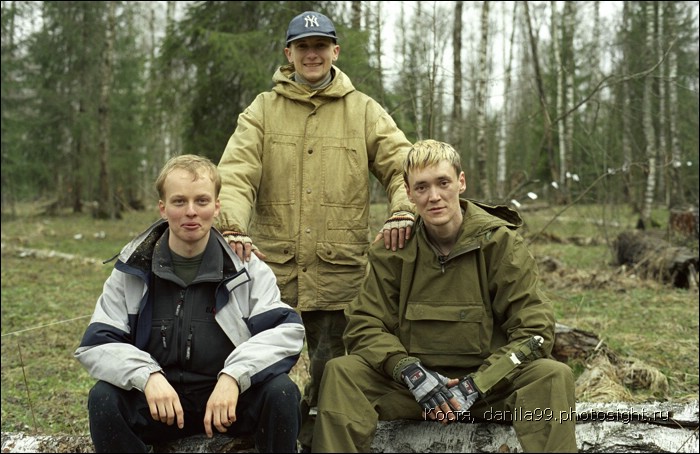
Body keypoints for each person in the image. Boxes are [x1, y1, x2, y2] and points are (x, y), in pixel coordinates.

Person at [215, 10, 415, 450]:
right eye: (302, 47)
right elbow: (234, 176)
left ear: (334, 52)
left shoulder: (363, 110)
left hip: (338, 271)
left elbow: (405, 167)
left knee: (333, 374)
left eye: (320, 46)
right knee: (263, 368)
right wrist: (231, 227)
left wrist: (403, 210)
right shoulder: (262, 111)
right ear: (289, 53)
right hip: (271, 271)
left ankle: (322, 440)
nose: (312, 54)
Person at [312, 140, 578, 453]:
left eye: (443, 183)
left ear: (461, 182)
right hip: (411, 388)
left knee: (552, 376)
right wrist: (409, 372)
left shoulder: (500, 244)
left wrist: (477, 384)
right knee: (342, 374)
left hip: (489, 389)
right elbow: (364, 325)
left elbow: (535, 332)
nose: (434, 196)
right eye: (422, 187)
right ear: (409, 194)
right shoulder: (394, 249)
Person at [74, 154, 305, 453]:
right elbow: (97, 344)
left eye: (202, 201)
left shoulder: (246, 269)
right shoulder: (133, 270)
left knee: (282, 392)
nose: (191, 212)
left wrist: (234, 377)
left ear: (217, 206)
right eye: (179, 201)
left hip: (227, 405)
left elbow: (285, 333)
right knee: (103, 399)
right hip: (161, 407)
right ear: (163, 207)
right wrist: (148, 377)